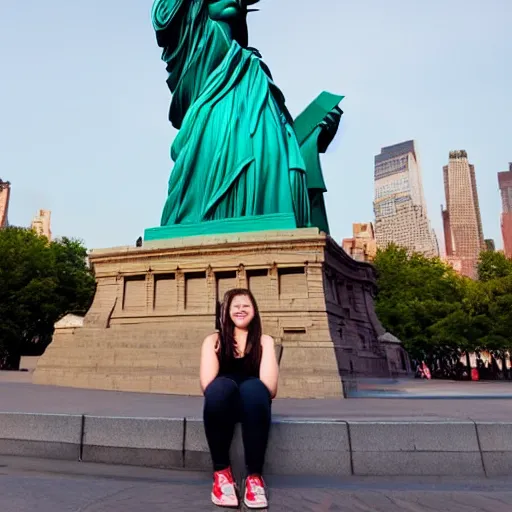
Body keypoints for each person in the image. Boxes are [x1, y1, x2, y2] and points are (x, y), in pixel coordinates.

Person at [200, 288, 279, 509]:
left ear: (254, 310)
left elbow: (270, 388)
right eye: (235, 306)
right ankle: (222, 474)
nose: (241, 310)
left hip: (254, 404)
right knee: (220, 388)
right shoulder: (214, 340)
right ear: (226, 312)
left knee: (253, 388)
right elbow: (207, 385)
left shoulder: (264, 341)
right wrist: (212, 348)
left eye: (246, 305)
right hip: (223, 402)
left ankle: (254, 477)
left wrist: (268, 346)